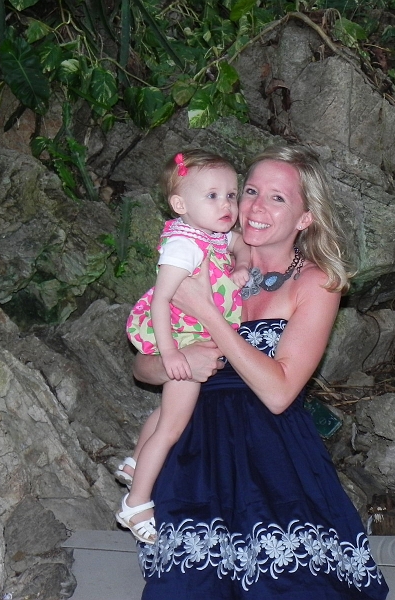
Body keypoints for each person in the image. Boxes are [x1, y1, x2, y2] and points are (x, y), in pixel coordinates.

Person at [130, 145, 389, 599]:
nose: (255, 207)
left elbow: (279, 393)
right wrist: (180, 360)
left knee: (289, 584)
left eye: (277, 198)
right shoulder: (202, 254)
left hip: (272, 448)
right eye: (250, 191)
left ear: (305, 218)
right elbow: (144, 366)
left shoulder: (315, 283)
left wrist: (209, 316)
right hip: (195, 442)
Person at [116, 149, 250, 544]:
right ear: (180, 205)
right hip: (183, 338)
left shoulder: (212, 234)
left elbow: (240, 243)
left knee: (166, 412)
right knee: (173, 427)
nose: (226, 205)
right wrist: (171, 353)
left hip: (194, 333)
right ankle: (136, 504)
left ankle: (135, 463)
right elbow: (161, 299)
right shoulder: (183, 246)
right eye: (212, 196)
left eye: (231, 195)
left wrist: (242, 265)